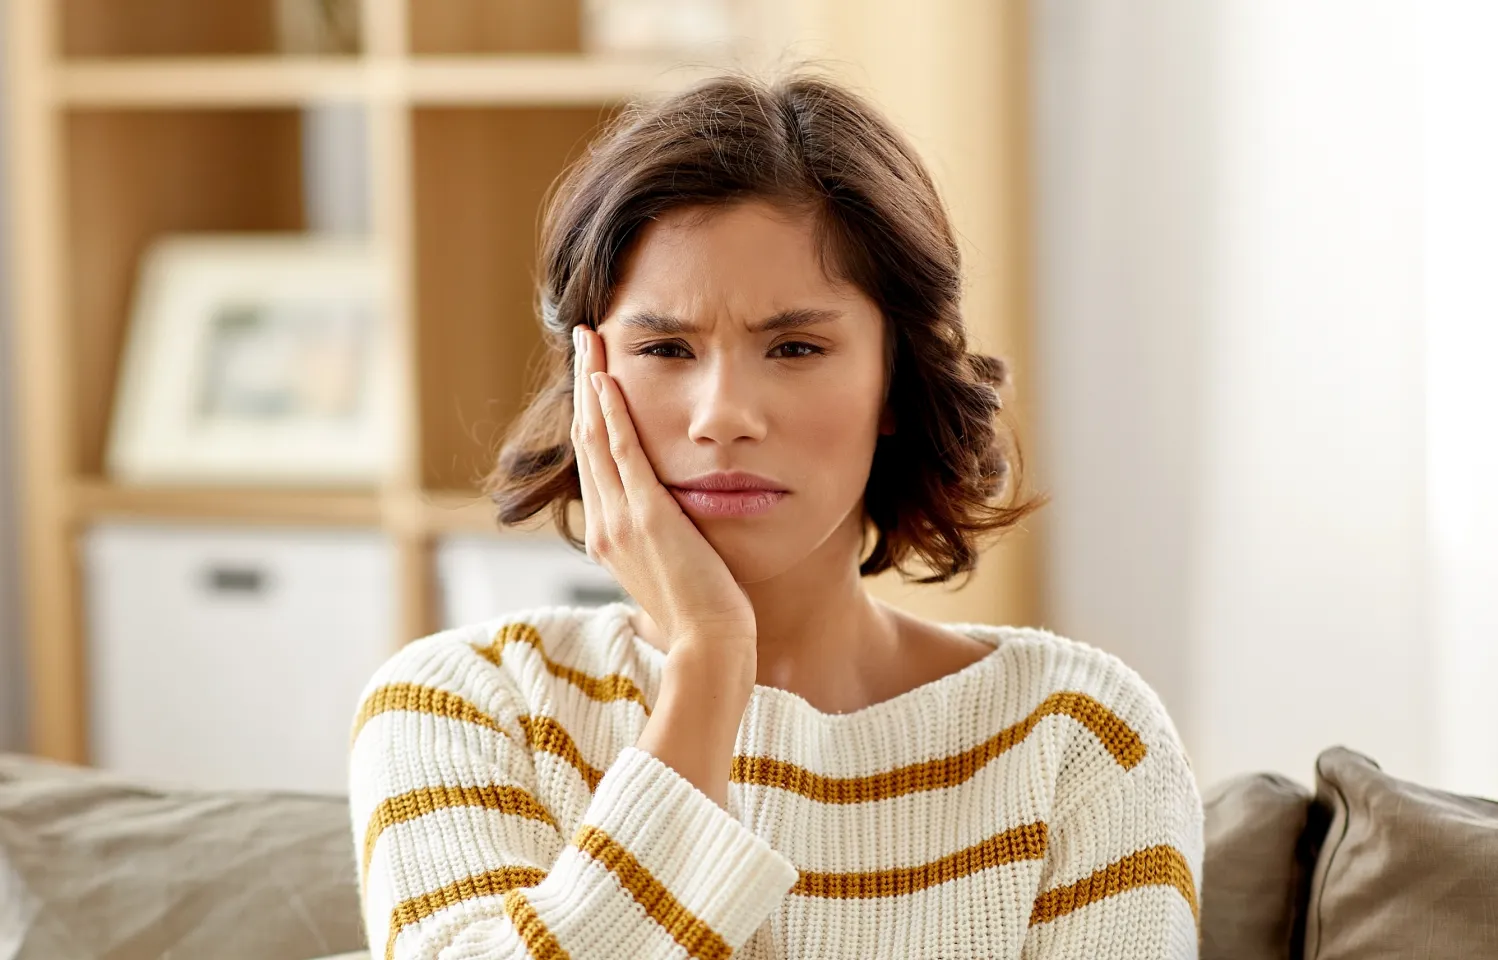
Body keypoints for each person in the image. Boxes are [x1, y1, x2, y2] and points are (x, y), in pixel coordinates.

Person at [348, 65, 1204, 960]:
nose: (723, 416)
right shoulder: (465, 704)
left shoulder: (1081, 735)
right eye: (665, 347)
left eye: (795, 347)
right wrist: (710, 662)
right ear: (589, 377)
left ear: (895, 380)